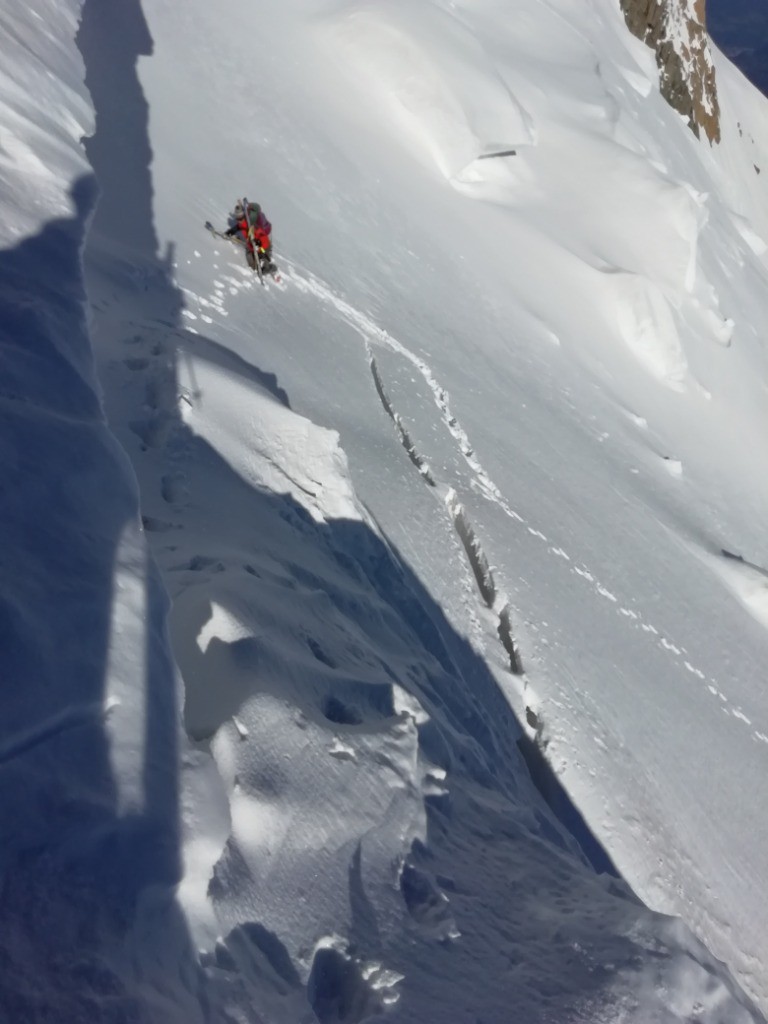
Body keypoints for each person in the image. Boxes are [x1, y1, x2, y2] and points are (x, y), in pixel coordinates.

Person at [225, 199, 276, 274]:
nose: (239, 220)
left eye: (241, 218)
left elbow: (265, 241)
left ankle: (269, 267)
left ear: (244, 216)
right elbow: (239, 227)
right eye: (237, 218)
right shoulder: (243, 223)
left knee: (263, 256)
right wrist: (231, 231)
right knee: (252, 264)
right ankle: (259, 265)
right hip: (251, 246)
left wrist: (259, 245)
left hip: (262, 245)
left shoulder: (254, 224)